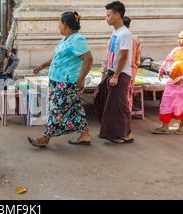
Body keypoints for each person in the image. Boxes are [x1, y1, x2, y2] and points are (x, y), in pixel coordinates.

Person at [27, 12, 93, 147]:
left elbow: (89, 59)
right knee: (74, 108)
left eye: (60, 23)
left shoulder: (77, 40)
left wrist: (81, 79)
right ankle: (85, 135)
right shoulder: (66, 39)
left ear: (66, 25)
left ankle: (45, 138)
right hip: (58, 80)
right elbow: (58, 56)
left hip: (68, 83)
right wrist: (43, 65)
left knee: (57, 110)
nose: (58, 26)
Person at [94, 1, 135, 144]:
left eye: (108, 15)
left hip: (121, 74)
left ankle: (125, 134)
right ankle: (118, 134)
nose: (107, 18)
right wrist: (107, 70)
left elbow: (124, 56)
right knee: (106, 102)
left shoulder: (125, 33)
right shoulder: (116, 32)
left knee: (119, 106)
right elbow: (113, 54)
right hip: (112, 72)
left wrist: (116, 75)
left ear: (117, 15)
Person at [152, 29, 183, 135]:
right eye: (178, 38)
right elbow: (168, 60)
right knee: (166, 101)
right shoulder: (176, 50)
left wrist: (182, 78)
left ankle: (182, 126)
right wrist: (161, 69)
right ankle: (165, 127)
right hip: (172, 80)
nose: (179, 41)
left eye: (182, 39)